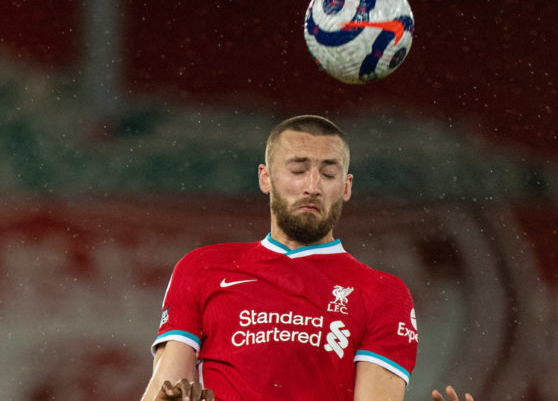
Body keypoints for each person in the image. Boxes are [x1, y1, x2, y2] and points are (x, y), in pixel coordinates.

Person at [141, 115, 474, 401]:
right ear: (265, 178)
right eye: (298, 170)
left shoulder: (383, 293)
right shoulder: (202, 268)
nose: (313, 186)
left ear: (346, 186)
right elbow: (169, 386)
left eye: (328, 174)